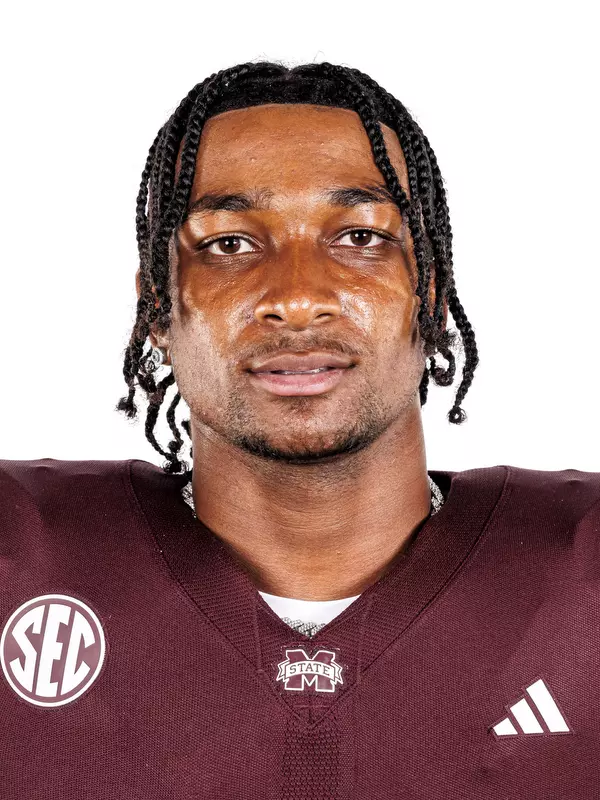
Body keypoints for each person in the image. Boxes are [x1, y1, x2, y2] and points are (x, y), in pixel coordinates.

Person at [1, 61, 598, 799]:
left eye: (359, 236)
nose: (297, 298)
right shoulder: (17, 548)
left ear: (433, 295)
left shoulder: (585, 571)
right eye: (228, 244)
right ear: (157, 306)